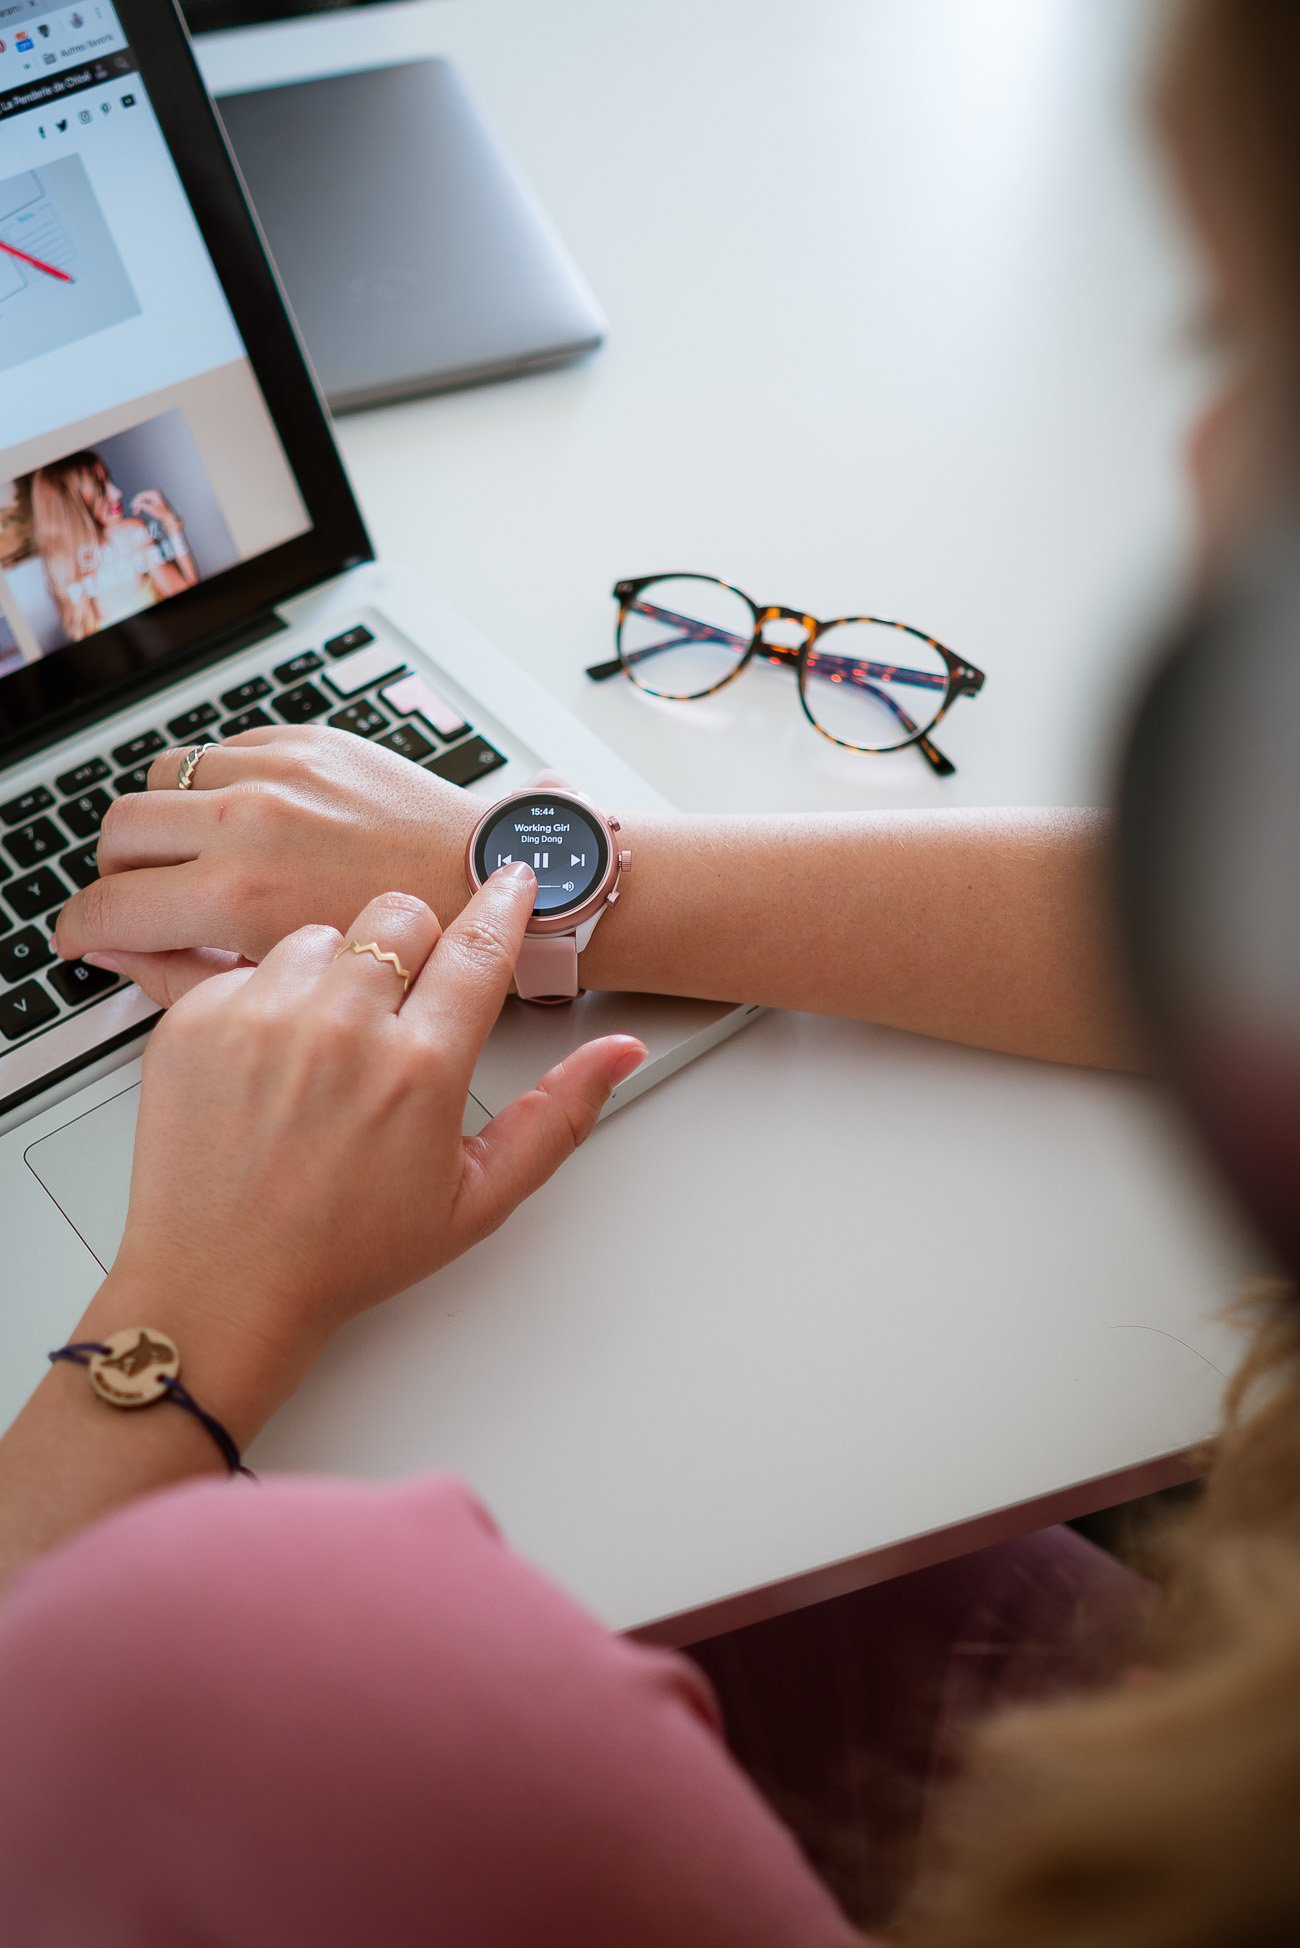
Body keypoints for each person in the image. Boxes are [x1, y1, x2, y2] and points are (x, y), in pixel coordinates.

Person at [0, 0, 1297, 1940]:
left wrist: (178, 1309)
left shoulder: (267, 1658)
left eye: (1250, 343)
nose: (1198, 452)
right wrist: (533, 867)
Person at [30, 450, 197, 642]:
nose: (117, 493)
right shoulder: (129, 533)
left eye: (109, 479)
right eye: (101, 488)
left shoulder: (59, 573)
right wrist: (171, 524)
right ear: (74, 505)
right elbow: (187, 595)